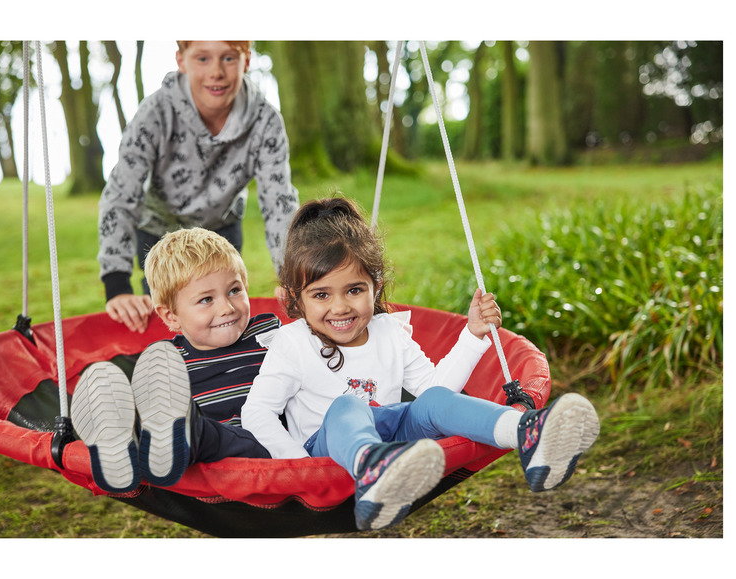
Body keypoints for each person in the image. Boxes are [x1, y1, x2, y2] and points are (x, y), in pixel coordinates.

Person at [241, 196, 600, 531]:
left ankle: (527, 433)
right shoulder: (293, 342)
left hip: (394, 442)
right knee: (349, 405)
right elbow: (257, 412)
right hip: (329, 453)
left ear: (375, 287)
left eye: (354, 290)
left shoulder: (390, 333)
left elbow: (435, 390)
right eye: (321, 295)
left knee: (431, 402)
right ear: (296, 300)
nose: (340, 307)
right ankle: (373, 469)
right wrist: (296, 466)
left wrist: (473, 335)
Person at [98, 40, 299, 334]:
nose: (216, 72)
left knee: (222, 316)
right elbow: (121, 193)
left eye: (229, 58)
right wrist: (116, 284)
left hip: (221, 230)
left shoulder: (265, 120)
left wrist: (292, 274)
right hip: (158, 234)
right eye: (203, 58)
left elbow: (278, 201)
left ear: (246, 61)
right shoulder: (155, 113)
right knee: (171, 322)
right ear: (181, 60)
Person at [72, 227, 275, 494]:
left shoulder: (268, 333)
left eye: (235, 290)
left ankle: (182, 434)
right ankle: (121, 441)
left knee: (199, 431)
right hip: (202, 463)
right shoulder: (167, 361)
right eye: (206, 299)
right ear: (171, 317)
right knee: (161, 420)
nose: (227, 307)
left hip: (267, 448)